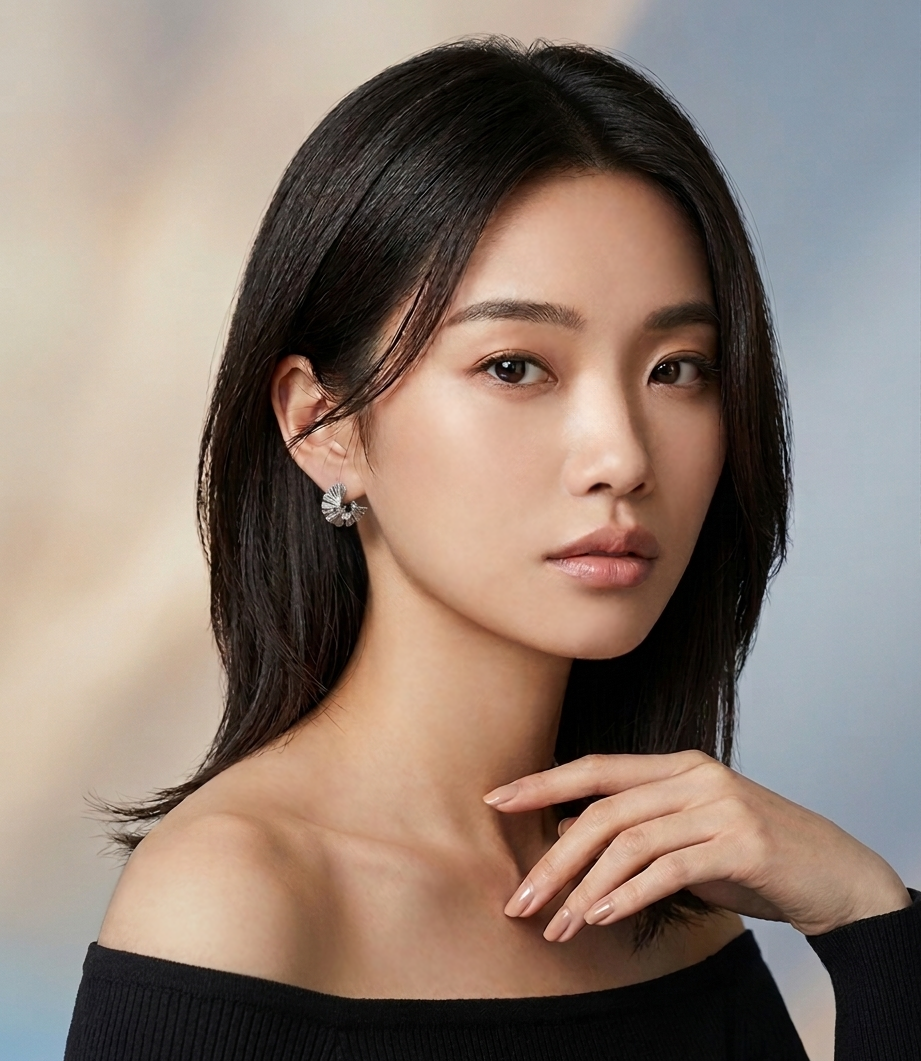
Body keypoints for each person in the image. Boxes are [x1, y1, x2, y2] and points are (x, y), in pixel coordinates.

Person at [64, 37, 919, 1060]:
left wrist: (869, 918)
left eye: (678, 368)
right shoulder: (237, 900)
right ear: (324, 422)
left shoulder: (668, 901)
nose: (620, 454)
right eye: (517, 365)